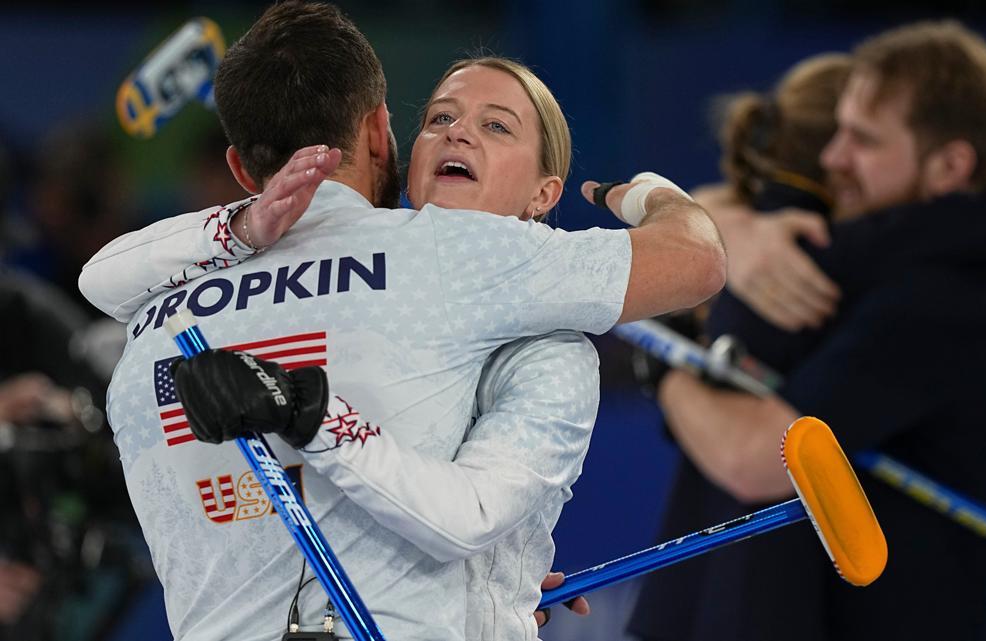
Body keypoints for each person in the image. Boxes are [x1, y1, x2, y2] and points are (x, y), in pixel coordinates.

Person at [78, 4, 724, 641]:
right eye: (440, 118)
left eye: (497, 126)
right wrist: (640, 193)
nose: (457, 133)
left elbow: (99, 278)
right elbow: (695, 257)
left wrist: (491, 583)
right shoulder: (448, 256)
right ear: (385, 134)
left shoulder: (153, 313)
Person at [628, 21, 986, 641]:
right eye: (836, 133)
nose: (835, 158)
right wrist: (734, 238)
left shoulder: (955, 295)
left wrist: (666, 368)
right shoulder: (896, 250)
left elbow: (757, 459)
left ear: (950, 165)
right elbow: (723, 201)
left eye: (862, 139)